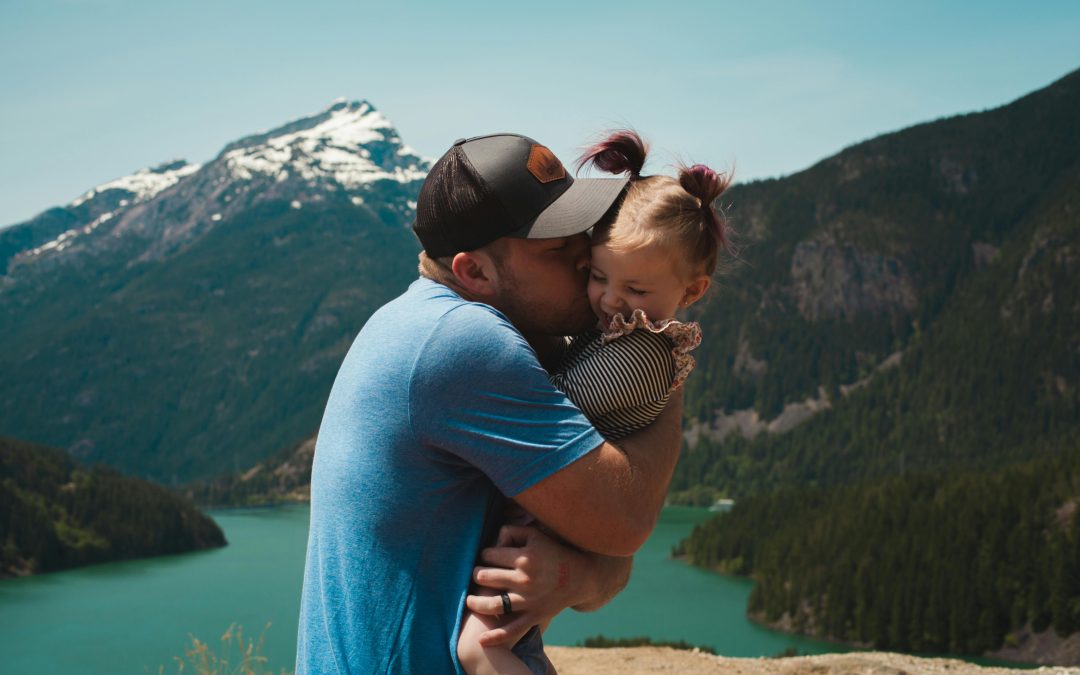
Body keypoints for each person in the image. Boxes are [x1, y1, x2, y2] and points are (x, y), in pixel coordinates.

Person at [295, 133, 687, 674]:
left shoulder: (415, 318)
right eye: (555, 248)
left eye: (581, 232)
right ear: (474, 272)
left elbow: (604, 551)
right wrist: (664, 351)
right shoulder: (463, 343)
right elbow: (625, 522)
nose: (586, 258)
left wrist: (575, 575)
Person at [456, 130, 732, 675]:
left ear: (692, 291)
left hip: (550, 525)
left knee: (482, 648)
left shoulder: (640, 354)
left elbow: (550, 405)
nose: (609, 299)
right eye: (599, 276)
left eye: (635, 290)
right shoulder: (623, 332)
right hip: (553, 511)